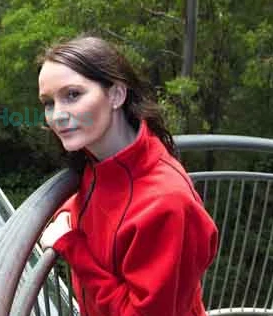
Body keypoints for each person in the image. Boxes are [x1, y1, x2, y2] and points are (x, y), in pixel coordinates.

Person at [36, 36, 219, 316]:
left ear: (117, 95)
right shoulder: (99, 163)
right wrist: (64, 211)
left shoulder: (166, 204)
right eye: (48, 103)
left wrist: (72, 246)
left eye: (72, 94)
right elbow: (102, 203)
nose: (58, 115)